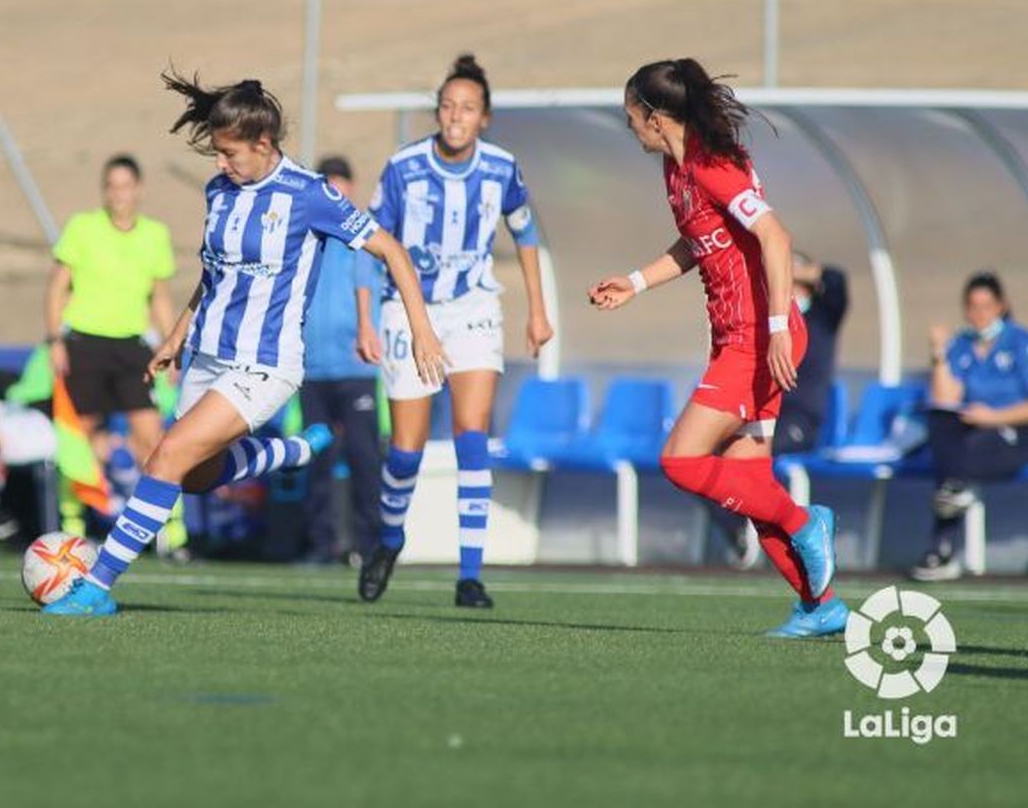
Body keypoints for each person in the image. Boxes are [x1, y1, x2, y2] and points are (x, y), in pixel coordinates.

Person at [41, 71, 446, 617]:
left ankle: (96, 586)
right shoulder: (219, 192)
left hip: (266, 364)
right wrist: (177, 335)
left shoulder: (311, 195)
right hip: (208, 355)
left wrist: (422, 330)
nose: (219, 164)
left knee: (165, 457)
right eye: (216, 152)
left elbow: (392, 251)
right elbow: (214, 275)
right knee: (194, 477)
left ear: (263, 143)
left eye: (229, 153)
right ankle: (290, 452)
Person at [587, 58, 844, 638]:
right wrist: (635, 282)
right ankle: (820, 605)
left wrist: (777, 327)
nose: (629, 126)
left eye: (631, 116)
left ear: (656, 118)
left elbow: (776, 237)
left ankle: (806, 522)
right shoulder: (677, 170)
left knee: (680, 461)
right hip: (738, 338)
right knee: (750, 482)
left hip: (758, 340)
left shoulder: (712, 166)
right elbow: (697, 242)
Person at [357, 55, 554, 609]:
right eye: (447, 106)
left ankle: (470, 576)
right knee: (406, 451)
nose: (455, 116)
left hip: (472, 306)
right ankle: (390, 538)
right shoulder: (404, 167)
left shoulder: (501, 168)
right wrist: (366, 319)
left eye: (467, 108)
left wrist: (537, 311)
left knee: (472, 434)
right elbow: (368, 244)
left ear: (483, 117)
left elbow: (526, 234)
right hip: (407, 309)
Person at [45, 154, 183, 554]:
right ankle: (72, 524)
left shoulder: (155, 234)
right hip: (84, 342)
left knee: (151, 438)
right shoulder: (82, 227)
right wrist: (54, 340)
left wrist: (171, 346)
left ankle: (171, 529)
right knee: (80, 437)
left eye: (124, 186)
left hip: (131, 346)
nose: (117, 194)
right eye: (111, 186)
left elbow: (160, 296)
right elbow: (57, 287)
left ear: (138, 189)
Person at [912, 272, 1028, 581]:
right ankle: (954, 494)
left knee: (959, 460)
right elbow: (945, 399)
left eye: (986, 306)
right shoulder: (961, 345)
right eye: (972, 306)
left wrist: (993, 417)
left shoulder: (1022, 342)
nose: (979, 314)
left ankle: (941, 547)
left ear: (1001, 306)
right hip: (976, 433)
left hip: (1024, 433)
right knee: (941, 422)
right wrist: (939, 353)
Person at [709, 255, 849, 567]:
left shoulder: (822, 319)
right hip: (760, 414)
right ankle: (736, 528)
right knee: (695, 454)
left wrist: (794, 268)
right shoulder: (768, 323)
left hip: (798, 420)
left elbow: (837, 281)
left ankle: (798, 530)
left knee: (744, 459)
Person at [296, 155, 385, 566]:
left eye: (340, 185)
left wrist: (370, 332)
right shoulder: (306, 237)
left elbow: (381, 284)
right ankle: (321, 545)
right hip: (312, 369)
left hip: (356, 367)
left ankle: (372, 546)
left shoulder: (365, 236)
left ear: (351, 188)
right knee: (317, 460)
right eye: (328, 186)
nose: (335, 193)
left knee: (365, 458)